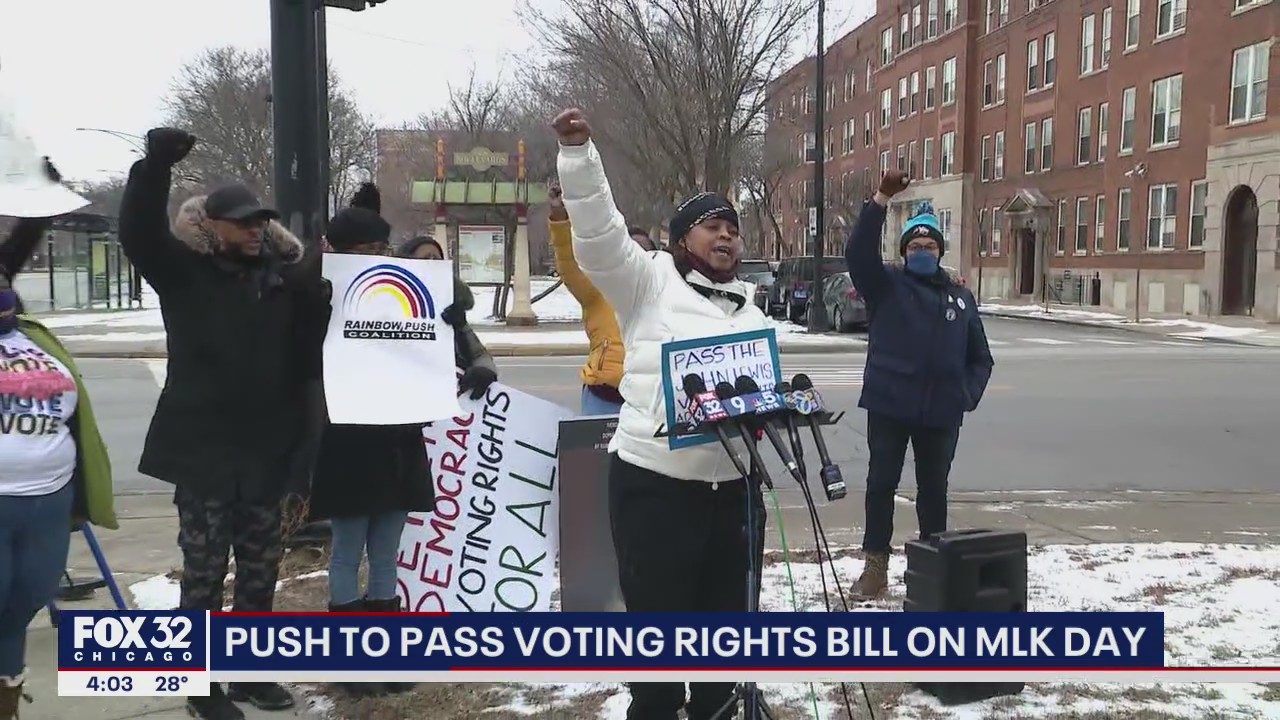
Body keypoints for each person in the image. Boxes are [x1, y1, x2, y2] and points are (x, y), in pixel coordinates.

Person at [553, 108, 769, 720]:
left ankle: (716, 703)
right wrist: (579, 154)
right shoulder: (647, 285)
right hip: (656, 487)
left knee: (723, 624)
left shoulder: (750, 312)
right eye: (710, 227)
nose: (726, 237)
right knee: (659, 620)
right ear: (681, 241)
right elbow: (598, 238)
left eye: (733, 228)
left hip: (732, 489)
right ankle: (654, 704)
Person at [117, 128, 331, 720]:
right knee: (204, 576)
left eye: (261, 219)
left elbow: (324, 342)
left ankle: (251, 673)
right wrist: (153, 168)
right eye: (241, 220)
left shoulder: (288, 282)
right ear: (213, 226)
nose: (255, 228)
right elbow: (137, 234)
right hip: (205, 456)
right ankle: (200, 685)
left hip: (266, 454)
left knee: (261, 574)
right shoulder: (185, 272)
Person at [307, 190, 497, 699]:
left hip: (398, 436)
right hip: (346, 437)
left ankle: (385, 655)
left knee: (387, 553)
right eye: (362, 249)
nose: (373, 256)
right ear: (336, 248)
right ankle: (348, 663)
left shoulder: (400, 286)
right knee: (347, 552)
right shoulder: (316, 293)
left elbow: (458, 324)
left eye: (379, 246)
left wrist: (475, 356)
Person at [844, 169, 994, 599]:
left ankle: (933, 565)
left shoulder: (960, 298)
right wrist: (880, 199)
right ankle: (875, 567)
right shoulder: (886, 285)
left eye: (930, 246)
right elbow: (857, 253)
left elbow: (980, 357)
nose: (923, 252)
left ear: (940, 251)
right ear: (904, 252)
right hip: (890, 406)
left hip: (942, 411)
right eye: (915, 246)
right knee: (881, 485)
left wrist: (965, 395)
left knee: (934, 491)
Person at [0, 187, 118, 720]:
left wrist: (36, 196)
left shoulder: (34, 337)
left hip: (50, 501)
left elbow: (73, 414)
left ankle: (7, 697)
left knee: (22, 606)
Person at [547, 183, 655, 415]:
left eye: (643, 253)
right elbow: (569, 264)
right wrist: (560, 218)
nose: (636, 259)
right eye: (630, 251)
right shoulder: (597, 289)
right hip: (603, 397)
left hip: (651, 400)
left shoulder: (666, 293)